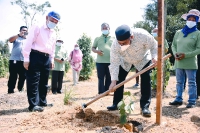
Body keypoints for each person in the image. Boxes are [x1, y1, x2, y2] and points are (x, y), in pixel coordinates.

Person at [107, 25, 157, 118]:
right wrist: (113, 81)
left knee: (146, 79)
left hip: (143, 59)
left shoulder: (142, 35)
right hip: (125, 60)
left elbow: (154, 46)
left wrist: (155, 57)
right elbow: (114, 63)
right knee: (118, 79)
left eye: (124, 43)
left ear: (132, 37)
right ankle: (116, 104)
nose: (121, 45)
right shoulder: (115, 45)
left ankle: (145, 107)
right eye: (120, 43)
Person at [22, 11, 61, 112]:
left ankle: (42, 102)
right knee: (33, 81)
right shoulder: (37, 27)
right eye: (52, 20)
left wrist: (51, 60)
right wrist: (26, 58)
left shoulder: (54, 32)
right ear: (47, 17)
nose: (53, 22)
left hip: (46, 58)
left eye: (56, 22)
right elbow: (28, 42)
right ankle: (33, 105)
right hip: (35, 55)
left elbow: (52, 48)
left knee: (44, 81)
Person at [169, 9, 200, 108]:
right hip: (178, 61)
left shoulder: (198, 33)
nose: (191, 20)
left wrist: (185, 55)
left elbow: (198, 49)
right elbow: (173, 45)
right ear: (186, 19)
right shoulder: (178, 32)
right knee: (179, 81)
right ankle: (178, 98)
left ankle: (191, 101)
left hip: (190, 62)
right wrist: (175, 54)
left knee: (191, 82)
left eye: (193, 19)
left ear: (196, 21)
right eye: (189, 18)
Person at [92, 23, 113, 94]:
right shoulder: (97, 38)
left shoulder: (113, 38)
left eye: (106, 28)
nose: (105, 29)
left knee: (109, 77)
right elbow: (93, 48)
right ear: (101, 29)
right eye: (103, 28)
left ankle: (107, 91)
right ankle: (101, 92)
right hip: (100, 62)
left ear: (109, 28)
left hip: (110, 61)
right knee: (100, 78)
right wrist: (97, 51)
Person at [7, 26, 28, 94]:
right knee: (13, 75)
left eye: (26, 30)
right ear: (20, 30)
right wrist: (19, 35)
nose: (24, 31)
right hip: (14, 60)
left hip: (24, 61)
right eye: (23, 30)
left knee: (23, 76)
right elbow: (10, 40)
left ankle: (20, 89)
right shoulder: (16, 38)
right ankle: (10, 89)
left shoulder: (28, 40)